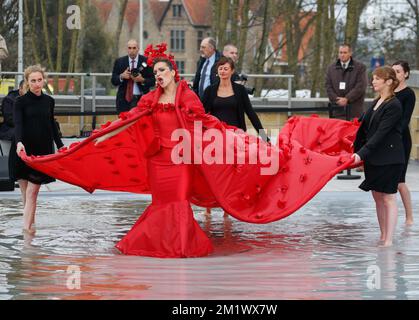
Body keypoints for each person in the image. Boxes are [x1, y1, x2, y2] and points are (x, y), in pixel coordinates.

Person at [21, 43, 360, 258]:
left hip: (180, 159)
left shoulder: (187, 96)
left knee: (179, 201)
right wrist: (95, 139)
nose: (158, 76)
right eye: (155, 73)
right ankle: (156, 245)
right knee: (162, 203)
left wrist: (241, 142)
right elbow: (128, 120)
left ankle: (181, 245)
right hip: (159, 161)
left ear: (173, 73)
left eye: (162, 71)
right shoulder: (151, 99)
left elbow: (205, 122)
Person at [353, 66, 404, 247]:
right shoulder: (376, 101)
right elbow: (364, 128)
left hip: (390, 158)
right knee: (377, 197)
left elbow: (381, 134)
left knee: (388, 197)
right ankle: (383, 235)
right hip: (375, 158)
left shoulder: (394, 105)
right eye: (373, 78)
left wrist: (361, 154)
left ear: (388, 82)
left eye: (377, 78)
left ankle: (389, 239)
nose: (373, 81)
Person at [11, 65, 64, 234]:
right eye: (33, 80)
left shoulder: (49, 101)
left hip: (41, 152)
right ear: (27, 82)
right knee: (26, 194)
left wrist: (61, 146)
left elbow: (52, 125)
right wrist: (19, 143)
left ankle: (26, 233)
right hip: (22, 150)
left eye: (39, 80)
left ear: (44, 80)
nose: (36, 84)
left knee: (32, 193)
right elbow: (18, 124)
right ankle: (31, 227)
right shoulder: (20, 102)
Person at [201, 57, 268, 141]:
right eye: (220, 68)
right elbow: (201, 114)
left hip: (237, 135)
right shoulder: (209, 90)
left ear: (232, 71)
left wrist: (264, 137)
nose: (222, 71)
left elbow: (251, 114)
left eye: (225, 69)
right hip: (215, 136)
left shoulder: (240, 90)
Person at [392, 60, 416, 226]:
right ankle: (391, 215)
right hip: (387, 139)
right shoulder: (388, 92)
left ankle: (409, 217)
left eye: (398, 71)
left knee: (400, 182)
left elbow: (405, 119)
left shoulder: (409, 94)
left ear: (406, 74)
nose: (395, 74)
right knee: (389, 181)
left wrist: (394, 136)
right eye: (393, 71)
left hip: (401, 139)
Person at [111, 39, 156, 113]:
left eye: (134, 48)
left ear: (138, 49)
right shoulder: (119, 62)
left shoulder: (146, 61)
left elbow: (153, 81)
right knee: (124, 123)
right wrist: (122, 76)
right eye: (129, 48)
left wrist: (142, 80)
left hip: (141, 99)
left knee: (140, 123)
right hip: (123, 100)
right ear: (127, 49)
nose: (132, 50)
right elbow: (113, 80)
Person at [326, 44, 368, 119]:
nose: (342, 55)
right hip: (337, 111)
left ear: (350, 53)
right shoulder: (331, 68)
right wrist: (336, 99)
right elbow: (328, 86)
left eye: (345, 52)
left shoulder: (360, 67)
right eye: (340, 52)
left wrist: (347, 98)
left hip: (354, 111)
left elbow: (361, 86)